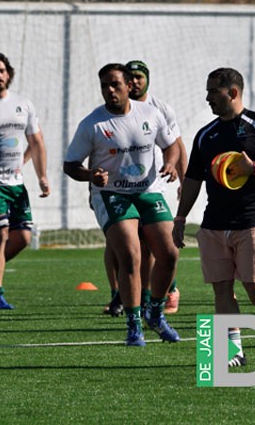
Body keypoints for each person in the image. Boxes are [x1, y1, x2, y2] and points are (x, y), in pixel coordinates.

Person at [172, 67, 255, 367]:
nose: (208, 97)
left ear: (233, 93)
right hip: (214, 223)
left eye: (213, 91)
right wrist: (180, 219)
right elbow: (192, 180)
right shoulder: (206, 135)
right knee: (222, 288)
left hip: (252, 219)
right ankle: (234, 350)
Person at [64, 62, 182, 347]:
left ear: (130, 86)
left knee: (169, 253)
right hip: (112, 194)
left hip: (148, 191)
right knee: (130, 255)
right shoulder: (92, 124)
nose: (109, 90)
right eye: (104, 85)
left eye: (115, 84)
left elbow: (172, 144)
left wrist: (170, 161)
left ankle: (154, 312)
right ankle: (133, 323)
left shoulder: (151, 114)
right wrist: (90, 175)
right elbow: (70, 165)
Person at [102, 60, 187, 317]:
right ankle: (119, 294)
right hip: (117, 189)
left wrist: (184, 180)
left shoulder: (160, 109)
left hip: (153, 185)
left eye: (141, 77)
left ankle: (153, 295)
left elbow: (177, 146)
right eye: (132, 77)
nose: (136, 82)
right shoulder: (112, 111)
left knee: (151, 244)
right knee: (117, 245)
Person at [0, 52, 50, 309]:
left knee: (23, 237)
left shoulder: (23, 104)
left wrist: (42, 176)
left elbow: (36, 142)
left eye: (2, 71)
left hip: (15, 182)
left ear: (9, 74)